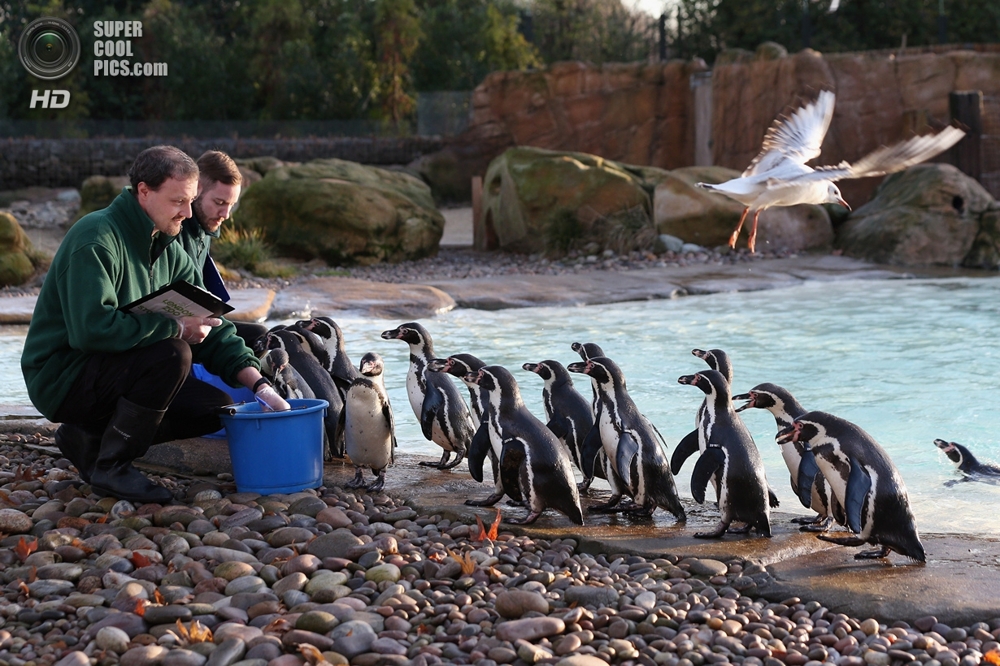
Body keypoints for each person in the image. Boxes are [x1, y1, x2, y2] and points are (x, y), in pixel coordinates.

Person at [20, 145, 289, 504]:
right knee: (173, 353)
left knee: (215, 407)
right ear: (144, 192)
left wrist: (259, 384)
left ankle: (88, 440)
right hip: (62, 376)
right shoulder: (96, 238)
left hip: (110, 370)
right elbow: (92, 330)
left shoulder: (169, 245)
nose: (188, 212)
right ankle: (113, 469)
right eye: (179, 201)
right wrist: (176, 328)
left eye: (191, 201)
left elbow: (212, 324)